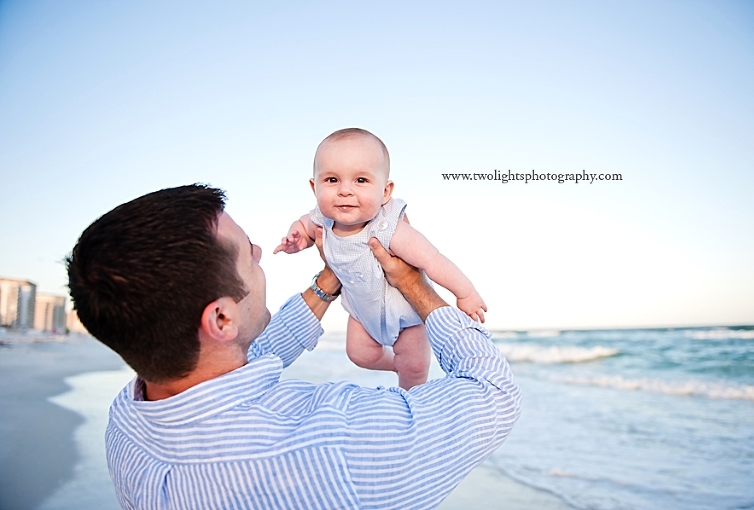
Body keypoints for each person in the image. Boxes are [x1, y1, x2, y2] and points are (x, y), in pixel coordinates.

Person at [67, 184, 521, 510]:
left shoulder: (128, 421)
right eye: (248, 252)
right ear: (221, 318)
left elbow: (245, 360)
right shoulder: (337, 445)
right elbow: (495, 395)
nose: (262, 251)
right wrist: (412, 284)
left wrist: (333, 277)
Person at [275, 128, 487, 389]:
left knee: (415, 367)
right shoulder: (322, 220)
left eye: (361, 180)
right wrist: (296, 239)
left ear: (385, 192)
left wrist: (465, 293)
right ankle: (394, 363)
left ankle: (411, 403)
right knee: (360, 354)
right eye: (331, 180)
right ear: (314, 186)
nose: (345, 191)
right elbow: (304, 228)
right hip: (363, 315)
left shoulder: (389, 228)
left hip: (407, 316)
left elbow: (433, 260)